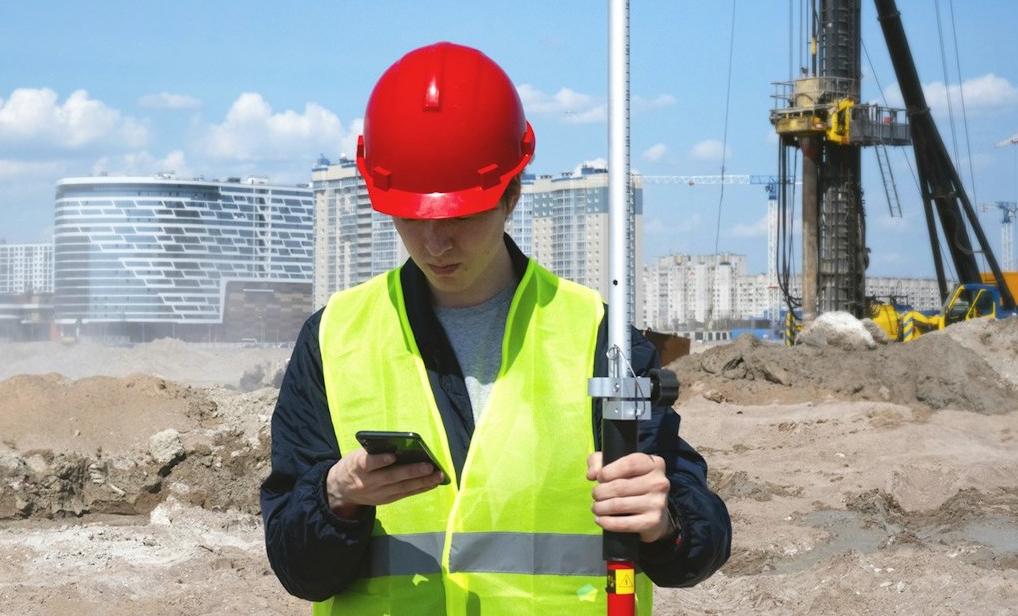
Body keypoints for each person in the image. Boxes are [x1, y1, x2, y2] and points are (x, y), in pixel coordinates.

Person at [260, 43, 731, 613]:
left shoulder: (596, 336)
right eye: (413, 216)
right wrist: (335, 499)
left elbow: (697, 538)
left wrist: (666, 522)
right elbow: (296, 568)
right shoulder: (334, 338)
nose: (436, 243)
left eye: (460, 215)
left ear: (511, 193)